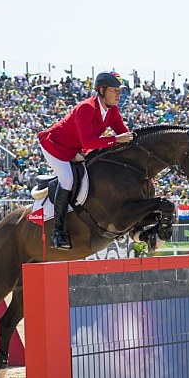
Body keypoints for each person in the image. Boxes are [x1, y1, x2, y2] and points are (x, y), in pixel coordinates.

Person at [37, 72, 134, 250]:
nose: (119, 94)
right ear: (102, 91)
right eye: (114, 90)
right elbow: (89, 142)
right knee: (67, 179)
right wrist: (116, 140)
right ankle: (57, 233)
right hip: (55, 145)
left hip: (76, 148)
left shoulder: (112, 110)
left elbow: (125, 135)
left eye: (120, 91)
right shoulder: (86, 108)